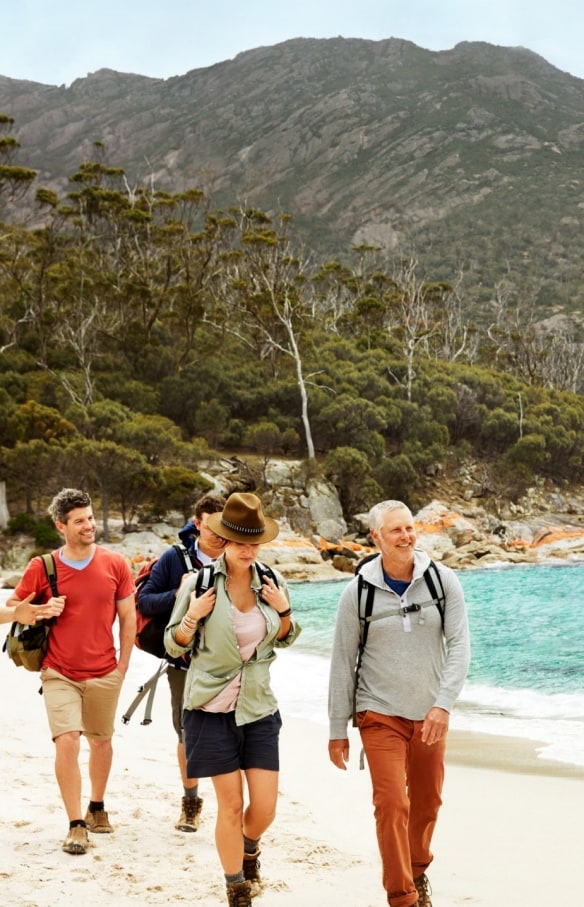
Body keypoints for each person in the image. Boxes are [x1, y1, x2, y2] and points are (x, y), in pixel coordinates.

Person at [328, 500, 470, 907]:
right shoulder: (357, 593)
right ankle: (402, 896)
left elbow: (460, 646)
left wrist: (443, 705)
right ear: (376, 537)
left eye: (410, 528)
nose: (407, 536)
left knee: (427, 804)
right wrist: (338, 729)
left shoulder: (443, 582)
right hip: (378, 713)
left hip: (430, 715)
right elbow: (342, 661)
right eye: (396, 530)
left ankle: (418, 868)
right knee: (391, 804)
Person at [164, 492, 301, 907]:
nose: (247, 550)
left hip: (258, 707)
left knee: (263, 809)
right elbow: (173, 645)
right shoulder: (198, 584)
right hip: (210, 709)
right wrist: (192, 617)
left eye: (254, 542)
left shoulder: (272, 582)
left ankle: (250, 846)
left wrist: (286, 610)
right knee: (230, 804)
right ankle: (236, 886)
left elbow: (287, 636)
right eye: (240, 541)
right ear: (224, 540)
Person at [7, 488, 136, 856]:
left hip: (104, 671)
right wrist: (44, 607)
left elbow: (128, 617)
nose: (89, 526)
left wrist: (123, 665)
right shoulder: (42, 567)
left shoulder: (115, 563)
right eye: (79, 521)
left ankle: (97, 805)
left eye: (91, 518)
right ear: (60, 525)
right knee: (67, 739)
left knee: (101, 742)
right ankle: (76, 823)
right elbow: (15, 606)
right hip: (58, 671)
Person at [137, 491, 227, 832]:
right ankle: (191, 803)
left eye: (224, 526)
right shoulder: (175, 558)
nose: (218, 535)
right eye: (211, 527)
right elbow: (143, 602)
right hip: (183, 661)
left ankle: (231, 806)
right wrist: (180, 593)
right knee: (188, 735)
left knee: (231, 733)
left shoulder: (239, 557)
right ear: (197, 524)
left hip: (230, 664)